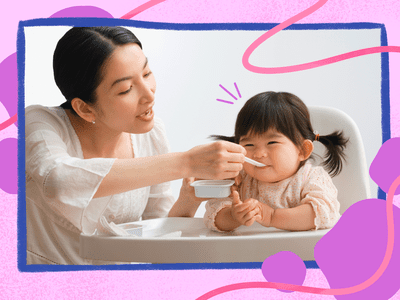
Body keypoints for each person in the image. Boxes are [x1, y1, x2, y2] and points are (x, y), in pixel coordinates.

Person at [25, 26, 246, 265]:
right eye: (126, 89)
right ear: (85, 108)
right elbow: (58, 181)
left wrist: (187, 201)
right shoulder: (38, 123)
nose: (149, 94)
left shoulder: (151, 136)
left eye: (147, 73)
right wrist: (186, 162)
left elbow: (158, 237)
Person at [204, 91, 348, 232]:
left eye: (272, 142)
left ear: (302, 150)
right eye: (249, 145)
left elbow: (323, 213)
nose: (259, 154)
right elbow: (213, 214)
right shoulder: (240, 179)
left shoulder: (311, 177)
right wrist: (233, 216)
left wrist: (271, 217)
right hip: (249, 253)